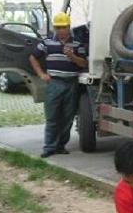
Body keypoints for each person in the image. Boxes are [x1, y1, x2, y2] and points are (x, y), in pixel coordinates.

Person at [29, 12, 88, 158]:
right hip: (54, 83)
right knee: (52, 117)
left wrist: (72, 56)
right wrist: (42, 74)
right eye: (58, 27)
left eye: (64, 27)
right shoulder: (47, 42)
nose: (61, 31)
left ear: (69, 27)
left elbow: (84, 63)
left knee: (68, 117)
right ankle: (49, 147)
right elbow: (32, 57)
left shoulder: (77, 44)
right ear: (55, 28)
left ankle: (61, 146)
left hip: (71, 84)